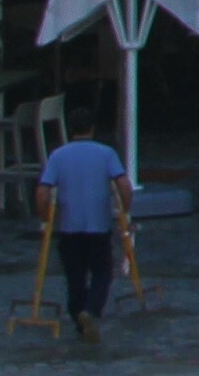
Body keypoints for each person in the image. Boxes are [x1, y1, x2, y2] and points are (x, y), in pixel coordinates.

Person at [42, 124, 132, 346]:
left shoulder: (58, 155)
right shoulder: (105, 153)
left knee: (75, 275)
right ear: (92, 127)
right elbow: (123, 184)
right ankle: (91, 310)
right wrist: (125, 209)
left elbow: (42, 189)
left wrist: (45, 217)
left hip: (69, 227)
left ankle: (79, 319)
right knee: (102, 271)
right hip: (98, 226)